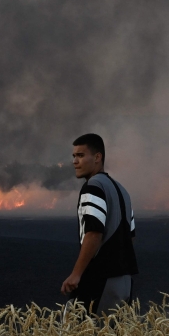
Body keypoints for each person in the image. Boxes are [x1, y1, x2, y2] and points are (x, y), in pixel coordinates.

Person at [61, 133, 138, 314]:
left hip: (101, 279)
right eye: (74, 156)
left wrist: (76, 274)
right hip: (124, 280)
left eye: (80, 155)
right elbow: (131, 236)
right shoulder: (122, 191)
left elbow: (94, 233)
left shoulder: (94, 187)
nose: (75, 161)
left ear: (97, 157)